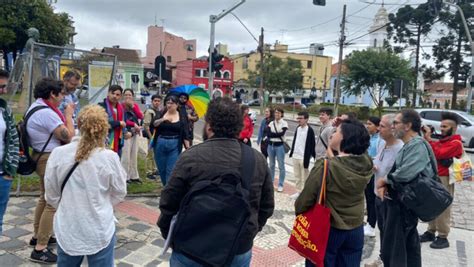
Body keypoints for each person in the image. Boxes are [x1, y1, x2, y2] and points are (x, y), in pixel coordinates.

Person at [158, 97, 274, 266]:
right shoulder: (257, 159)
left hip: (191, 246)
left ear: (209, 125)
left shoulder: (191, 156)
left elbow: (168, 202)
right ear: (239, 126)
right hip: (237, 248)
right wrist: (249, 233)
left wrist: (170, 234)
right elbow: (266, 207)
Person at [44, 104, 127, 267]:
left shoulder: (58, 154)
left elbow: (51, 194)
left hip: (69, 225)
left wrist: (68, 204)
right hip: (99, 226)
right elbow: (119, 192)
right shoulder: (109, 157)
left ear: (79, 125)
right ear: (104, 128)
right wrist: (101, 203)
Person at [295, 119, 373, 267]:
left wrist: (300, 213)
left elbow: (304, 200)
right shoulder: (366, 164)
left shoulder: (325, 167)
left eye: (336, 131)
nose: (332, 135)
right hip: (356, 228)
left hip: (329, 228)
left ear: (344, 138)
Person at [376, 109, 435, 267]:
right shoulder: (411, 145)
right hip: (402, 205)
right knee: (406, 248)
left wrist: (385, 181)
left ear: (408, 125)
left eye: (396, 123)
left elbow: (406, 172)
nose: (393, 126)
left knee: (398, 251)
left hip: (404, 208)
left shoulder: (417, 145)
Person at [27, 78, 75, 264]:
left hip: (41, 156)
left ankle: (38, 235)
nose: (63, 98)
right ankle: (41, 248)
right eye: (61, 94)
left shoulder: (37, 107)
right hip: (48, 159)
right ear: (52, 94)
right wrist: (69, 116)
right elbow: (68, 136)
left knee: (44, 197)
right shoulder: (47, 114)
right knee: (52, 203)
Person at [419, 112, 463, 249]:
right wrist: (429, 139)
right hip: (434, 176)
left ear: (453, 128)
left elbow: (438, 153)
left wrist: (429, 139)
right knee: (431, 204)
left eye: (445, 126)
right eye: (441, 126)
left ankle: (443, 236)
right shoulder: (442, 141)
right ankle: (431, 231)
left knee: (443, 206)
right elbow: (433, 150)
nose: (442, 128)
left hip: (445, 178)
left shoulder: (456, 143)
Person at [365, 114, 404, 267]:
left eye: (382, 126)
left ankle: (389, 261)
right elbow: (378, 162)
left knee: (391, 234)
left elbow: (399, 174)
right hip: (377, 195)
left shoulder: (400, 149)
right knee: (383, 230)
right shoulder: (382, 144)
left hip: (390, 198)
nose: (378, 129)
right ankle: (382, 258)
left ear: (392, 128)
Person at [152, 94, 190, 186]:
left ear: (177, 105)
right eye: (167, 103)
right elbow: (154, 124)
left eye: (172, 103)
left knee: (171, 170)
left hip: (174, 144)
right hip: (160, 143)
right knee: (162, 170)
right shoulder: (162, 113)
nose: (169, 105)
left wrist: (188, 148)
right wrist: (163, 119)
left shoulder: (181, 116)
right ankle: (166, 188)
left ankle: (168, 192)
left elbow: (185, 133)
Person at [0, 70, 20, 235]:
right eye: (1, 87)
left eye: (5, 87)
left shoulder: (4, 110)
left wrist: (10, 171)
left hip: (2, 176)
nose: (4, 91)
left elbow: (13, 140)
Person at [289, 111, 316, 199]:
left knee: (305, 176)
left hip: (304, 157)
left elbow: (312, 145)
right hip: (295, 155)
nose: (299, 120)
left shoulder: (310, 130)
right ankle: (298, 192)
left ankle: (305, 193)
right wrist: (292, 152)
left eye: (301, 118)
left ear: (306, 119)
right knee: (297, 176)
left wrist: (312, 157)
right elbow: (295, 141)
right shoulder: (298, 128)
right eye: (298, 118)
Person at [364, 116, 383, 237]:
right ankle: (369, 223)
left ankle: (372, 225)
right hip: (368, 172)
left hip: (375, 173)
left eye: (370, 124)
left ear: (377, 126)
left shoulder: (380, 140)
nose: (367, 126)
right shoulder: (370, 138)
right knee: (368, 199)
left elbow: (380, 157)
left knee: (372, 200)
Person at [121, 89, 144, 183]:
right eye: (126, 95)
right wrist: (133, 124)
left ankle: (134, 175)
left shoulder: (135, 106)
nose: (128, 97)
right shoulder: (121, 106)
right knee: (126, 155)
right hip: (126, 132)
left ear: (133, 96)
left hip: (135, 132)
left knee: (134, 154)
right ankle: (125, 176)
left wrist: (133, 106)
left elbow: (140, 116)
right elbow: (123, 119)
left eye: (130, 95)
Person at [99, 85, 126, 157]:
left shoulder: (121, 108)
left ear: (120, 96)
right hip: (105, 142)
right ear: (108, 93)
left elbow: (123, 123)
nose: (115, 96)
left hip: (118, 142)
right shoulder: (101, 106)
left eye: (117, 95)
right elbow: (102, 124)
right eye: (113, 93)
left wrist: (125, 131)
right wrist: (118, 123)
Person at [266, 107, 288, 192]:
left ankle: (280, 184)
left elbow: (282, 133)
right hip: (270, 145)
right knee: (271, 164)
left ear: (281, 114)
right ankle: (271, 182)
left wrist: (273, 134)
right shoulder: (271, 123)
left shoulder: (284, 123)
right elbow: (268, 134)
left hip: (280, 146)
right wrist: (276, 134)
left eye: (278, 113)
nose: (277, 114)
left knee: (281, 165)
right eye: (275, 113)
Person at [143, 94, 162, 179]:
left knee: (155, 154)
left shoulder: (158, 111)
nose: (157, 103)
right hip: (151, 136)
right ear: (152, 101)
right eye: (155, 101)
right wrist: (151, 138)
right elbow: (146, 126)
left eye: (158, 101)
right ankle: (148, 172)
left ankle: (154, 169)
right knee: (150, 154)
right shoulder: (149, 112)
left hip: (157, 136)